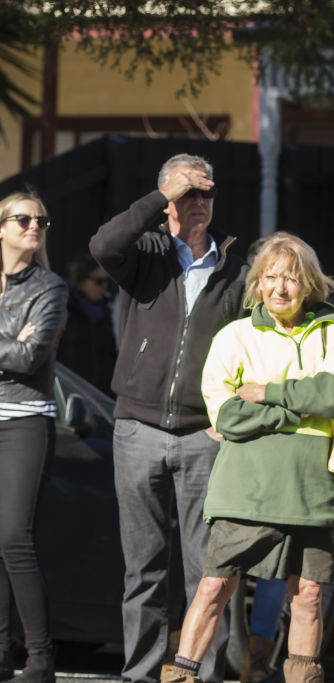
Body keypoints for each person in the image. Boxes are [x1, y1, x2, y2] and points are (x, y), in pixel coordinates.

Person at [160, 232, 334, 683]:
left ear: (309, 284)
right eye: (270, 277)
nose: (280, 288)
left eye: (291, 278)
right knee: (214, 586)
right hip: (244, 486)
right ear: (257, 282)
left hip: (313, 487)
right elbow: (227, 416)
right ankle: (183, 677)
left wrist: (267, 395)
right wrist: (297, 409)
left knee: (308, 595)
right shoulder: (234, 336)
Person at [89, 153, 249, 683]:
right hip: (137, 430)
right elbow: (102, 243)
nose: (198, 202)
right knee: (144, 571)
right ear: (167, 201)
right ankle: (141, 674)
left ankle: (205, 674)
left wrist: (228, 417)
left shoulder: (236, 262)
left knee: (211, 571)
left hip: (206, 434)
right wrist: (163, 195)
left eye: (206, 192)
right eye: (187, 194)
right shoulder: (146, 253)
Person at [0, 192, 68, 683]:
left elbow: (29, 359)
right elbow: (15, 350)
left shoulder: (50, 288)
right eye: (23, 219)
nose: (34, 227)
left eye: (40, 221)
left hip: (26, 416)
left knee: (14, 537)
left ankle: (41, 659)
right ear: (1, 227)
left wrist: (20, 345)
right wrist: (12, 339)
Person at [57, 254, 117, 396]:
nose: (104, 286)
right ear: (82, 280)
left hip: (102, 392)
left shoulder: (105, 309)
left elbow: (110, 351)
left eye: (107, 281)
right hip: (72, 389)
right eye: (99, 281)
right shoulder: (64, 308)